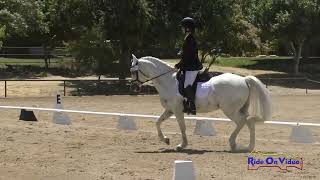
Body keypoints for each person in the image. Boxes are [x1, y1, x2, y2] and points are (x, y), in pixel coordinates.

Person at [175, 17, 203, 115]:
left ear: (187, 28)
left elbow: (188, 56)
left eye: (183, 27)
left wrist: (179, 65)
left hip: (192, 67)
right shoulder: (188, 38)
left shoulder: (190, 39)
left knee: (187, 85)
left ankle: (192, 106)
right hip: (189, 66)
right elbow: (186, 54)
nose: (181, 29)